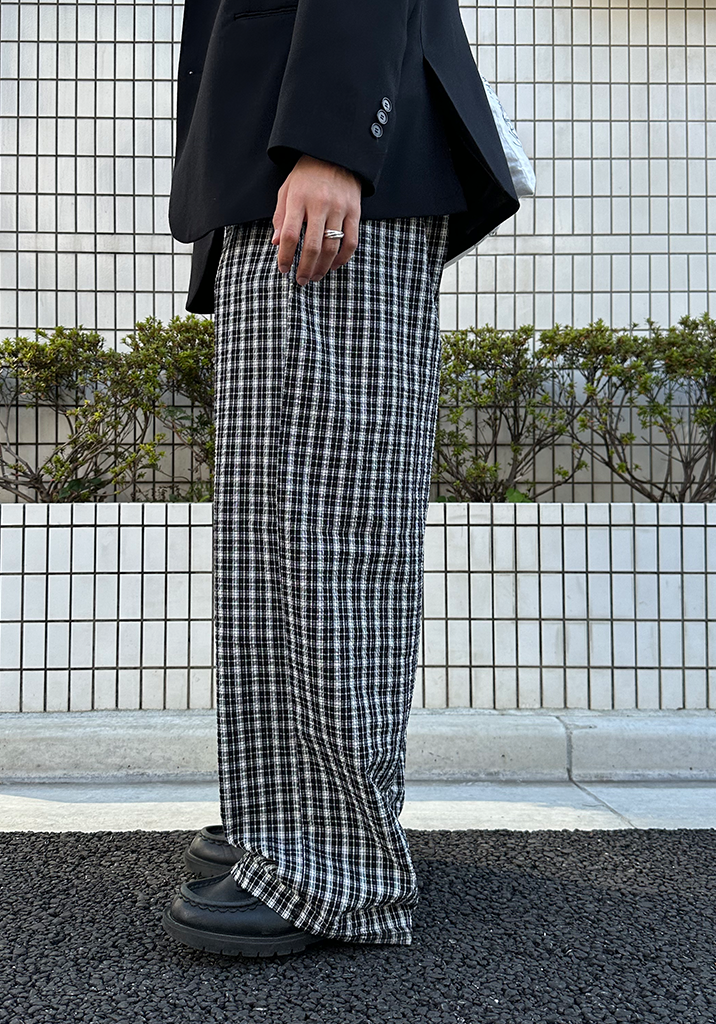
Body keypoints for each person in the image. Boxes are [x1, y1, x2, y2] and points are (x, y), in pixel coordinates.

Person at [162, 0, 520, 958]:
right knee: (278, 534)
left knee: (323, 527)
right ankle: (289, 816)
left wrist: (331, 140)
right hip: (277, 165)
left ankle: (334, 860)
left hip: (322, 161)